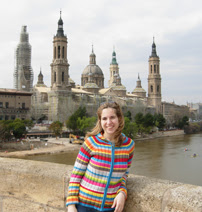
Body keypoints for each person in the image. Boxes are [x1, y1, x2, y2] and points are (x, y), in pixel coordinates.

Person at [66, 102, 135, 212]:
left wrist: (122, 193)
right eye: (104, 119)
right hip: (84, 206)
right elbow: (76, 175)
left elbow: (124, 176)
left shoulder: (129, 145)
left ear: (119, 119)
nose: (109, 122)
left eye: (112, 117)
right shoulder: (91, 143)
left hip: (110, 208)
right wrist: (71, 205)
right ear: (100, 121)